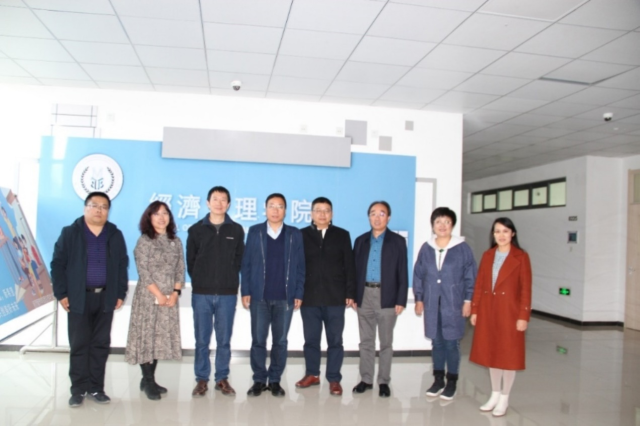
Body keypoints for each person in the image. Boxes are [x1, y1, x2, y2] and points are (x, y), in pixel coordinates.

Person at [50, 191, 128, 407]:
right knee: (79, 344)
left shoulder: (114, 234)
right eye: (94, 205)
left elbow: (122, 265)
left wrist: (120, 293)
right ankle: (78, 389)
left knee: (100, 345)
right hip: (78, 298)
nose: (99, 210)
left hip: (106, 298)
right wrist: (61, 293)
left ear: (108, 211)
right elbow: (57, 264)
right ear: (85, 207)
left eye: (104, 207)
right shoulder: (70, 233)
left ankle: (96, 388)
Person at [241, 193, 305, 397]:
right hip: (259, 297)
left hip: (285, 298)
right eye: (272, 206)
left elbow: (301, 266)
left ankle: (275, 379)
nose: (275, 210)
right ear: (265, 209)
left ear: (285, 210)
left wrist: (299, 292)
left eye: (280, 206)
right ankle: (259, 379)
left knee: (281, 341)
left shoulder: (294, 234)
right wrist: (245, 290)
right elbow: (246, 264)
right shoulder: (255, 231)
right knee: (258, 340)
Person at [469, 217, 532, 417]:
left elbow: (526, 289)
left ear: (513, 234)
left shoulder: (521, 257)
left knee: (508, 355)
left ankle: (505, 398)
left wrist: (523, 316)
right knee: (492, 354)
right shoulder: (488, 255)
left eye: (505, 231)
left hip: (509, 312)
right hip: (488, 310)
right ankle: (494, 394)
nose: (501, 235)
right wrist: (475, 310)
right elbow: (479, 284)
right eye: (497, 231)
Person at [413, 207, 477, 401]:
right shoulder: (426, 248)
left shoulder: (462, 248)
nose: (442, 225)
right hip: (432, 303)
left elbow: (471, 276)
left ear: (452, 225)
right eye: (438, 222)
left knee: (451, 343)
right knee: (437, 342)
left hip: (454, 303)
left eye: (447, 222)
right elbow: (418, 275)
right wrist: (419, 298)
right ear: (433, 225)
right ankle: (438, 380)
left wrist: (468, 300)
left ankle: (452, 382)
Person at [186, 186, 245, 397]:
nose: (219, 203)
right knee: (201, 340)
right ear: (208, 203)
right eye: (215, 199)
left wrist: (228, 279)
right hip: (201, 294)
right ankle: (202, 379)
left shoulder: (236, 230)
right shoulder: (195, 230)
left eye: (223, 199)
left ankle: (221, 378)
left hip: (227, 294)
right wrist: (201, 280)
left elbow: (239, 259)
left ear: (228, 204)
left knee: (224, 340)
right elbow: (191, 261)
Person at [296, 197, 356, 396]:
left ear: (332, 214)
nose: (322, 214)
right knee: (311, 340)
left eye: (326, 210)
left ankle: (334, 378)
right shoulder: (301, 235)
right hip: (309, 297)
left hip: (335, 297)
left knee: (335, 341)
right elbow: (296, 267)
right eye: (318, 210)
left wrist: (350, 292)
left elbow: (349, 266)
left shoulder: (342, 235)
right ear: (311, 213)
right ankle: (312, 374)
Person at [125, 201, 185, 400]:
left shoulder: (175, 241)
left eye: (165, 213)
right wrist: (158, 294)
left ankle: (148, 379)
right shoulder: (145, 241)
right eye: (157, 214)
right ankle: (148, 381)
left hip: (169, 297)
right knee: (147, 337)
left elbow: (180, 269)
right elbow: (143, 271)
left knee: (159, 339)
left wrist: (175, 293)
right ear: (149, 218)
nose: (161, 217)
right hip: (149, 296)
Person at [352, 201, 408, 398]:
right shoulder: (360, 241)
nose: (377, 218)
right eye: (373, 214)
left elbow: (402, 271)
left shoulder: (398, 241)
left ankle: (384, 381)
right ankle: (366, 379)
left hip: (388, 295)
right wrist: (353, 295)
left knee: (385, 342)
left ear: (388, 217)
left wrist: (401, 299)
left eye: (381, 214)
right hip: (364, 295)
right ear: (369, 217)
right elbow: (353, 271)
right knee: (366, 341)